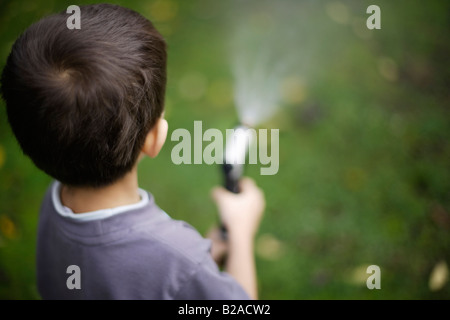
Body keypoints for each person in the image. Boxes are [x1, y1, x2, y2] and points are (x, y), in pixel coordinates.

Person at [0, 4, 265, 299]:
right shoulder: (178, 259)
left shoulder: (56, 203)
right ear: (154, 138)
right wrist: (240, 234)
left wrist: (198, 258)